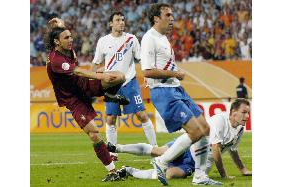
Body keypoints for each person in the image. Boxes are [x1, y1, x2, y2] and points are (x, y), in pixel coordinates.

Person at [140, 3, 221, 185]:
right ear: (156, 18)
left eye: (172, 15)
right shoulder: (149, 38)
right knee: (195, 131)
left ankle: (199, 176)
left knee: (205, 128)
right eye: (168, 15)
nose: (172, 19)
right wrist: (175, 73)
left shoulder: (163, 38)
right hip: (164, 92)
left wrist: (175, 73)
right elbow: (147, 70)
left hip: (176, 88)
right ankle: (161, 161)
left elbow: (159, 66)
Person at [44, 18, 129, 182]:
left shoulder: (65, 47)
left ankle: (109, 95)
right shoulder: (55, 60)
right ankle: (112, 172)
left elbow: (81, 76)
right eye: (66, 38)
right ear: (57, 42)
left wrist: (61, 24)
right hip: (73, 98)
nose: (71, 40)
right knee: (94, 133)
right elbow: (79, 72)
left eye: (70, 37)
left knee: (119, 76)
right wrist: (101, 75)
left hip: (84, 85)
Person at [108, 99, 252, 180]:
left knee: (169, 175)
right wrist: (224, 176)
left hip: (193, 163)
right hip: (190, 146)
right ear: (233, 112)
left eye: (248, 113)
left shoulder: (239, 129)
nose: (247, 116)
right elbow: (216, 150)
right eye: (244, 113)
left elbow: (233, 150)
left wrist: (243, 169)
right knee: (159, 151)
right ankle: (117, 147)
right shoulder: (220, 120)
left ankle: (129, 170)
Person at [92, 11, 158, 160]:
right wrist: (90, 82)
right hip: (111, 86)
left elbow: (141, 59)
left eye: (123, 19)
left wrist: (147, 75)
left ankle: (155, 150)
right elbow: (96, 63)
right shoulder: (103, 41)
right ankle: (112, 153)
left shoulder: (131, 39)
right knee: (111, 118)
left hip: (130, 82)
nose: (121, 22)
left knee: (142, 115)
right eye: (117, 20)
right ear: (111, 23)